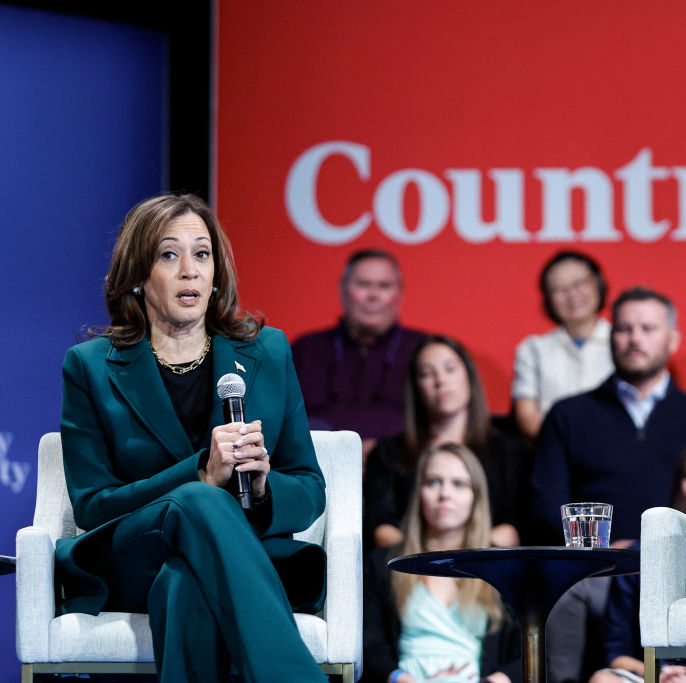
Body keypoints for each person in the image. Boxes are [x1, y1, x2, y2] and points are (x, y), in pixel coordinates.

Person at [57, 194, 327, 681]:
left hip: (236, 557)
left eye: (202, 254)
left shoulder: (267, 352)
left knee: (183, 586)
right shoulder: (91, 367)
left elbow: (309, 487)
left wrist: (264, 488)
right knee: (198, 501)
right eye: (168, 255)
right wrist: (201, 475)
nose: (190, 271)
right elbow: (93, 506)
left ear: (216, 272)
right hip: (132, 557)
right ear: (138, 276)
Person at [531, 286, 686, 683]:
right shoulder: (568, 415)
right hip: (604, 569)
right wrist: (610, 552)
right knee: (566, 590)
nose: (634, 338)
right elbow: (544, 503)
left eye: (647, 328)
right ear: (610, 338)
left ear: (672, 339)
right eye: (623, 329)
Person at [591, 431, 686, 683]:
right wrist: (662, 672)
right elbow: (615, 652)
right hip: (656, 674)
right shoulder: (643, 555)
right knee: (604, 679)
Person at [363, 443, 521, 683]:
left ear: (475, 497)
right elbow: (370, 644)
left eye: (459, 484)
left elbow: (527, 653)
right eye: (434, 482)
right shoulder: (384, 564)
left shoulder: (500, 566)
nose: (444, 493)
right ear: (419, 493)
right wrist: (400, 679)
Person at [364, 335, 525, 550]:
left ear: (469, 375)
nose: (440, 381)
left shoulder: (508, 451)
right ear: (416, 388)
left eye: (450, 369)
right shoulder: (389, 453)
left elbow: (514, 529)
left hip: (487, 570)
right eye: (426, 374)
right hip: (409, 571)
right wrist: (428, 564)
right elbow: (381, 527)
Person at [292, 249, 426, 460]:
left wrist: (382, 450)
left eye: (384, 286)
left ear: (400, 294)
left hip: (403, 470)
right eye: (363, 284)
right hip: (320, 467)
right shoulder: (306, 349)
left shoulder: (422, 350)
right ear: (342, 290)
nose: (373, 295)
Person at [512, 250, 614, 441]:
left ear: (598, 283)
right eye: (560, 288)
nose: (572, 294)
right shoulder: (533, 349)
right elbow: (527, 417)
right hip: (554, 451)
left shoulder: (622, 344)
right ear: (547, 298)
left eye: (579, 283)